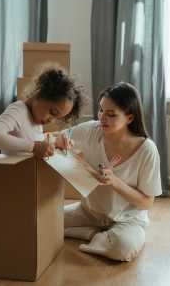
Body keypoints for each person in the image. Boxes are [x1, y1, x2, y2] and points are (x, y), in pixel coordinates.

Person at [59, 82, 162, 262]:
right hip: (89, 212)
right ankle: (93, 234)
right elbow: (53, 138)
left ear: (129, 118)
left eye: (111, 114)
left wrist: (115, 182)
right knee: (43, 222)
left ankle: (89, 235)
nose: (101, 118)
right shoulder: (92, 130)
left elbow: (146, 203)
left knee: (123, 248)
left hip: (127, 220)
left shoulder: (147, 150)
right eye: (100, 110)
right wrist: (62, 142)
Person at [0, 63, 87, 158]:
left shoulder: (36, 120)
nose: (52, 120)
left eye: (57, 117)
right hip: (12, 177)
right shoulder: (19, 111)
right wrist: (33, 146)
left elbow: (30, 139)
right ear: (40, 93)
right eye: (53, 112)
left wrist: (55, 143)